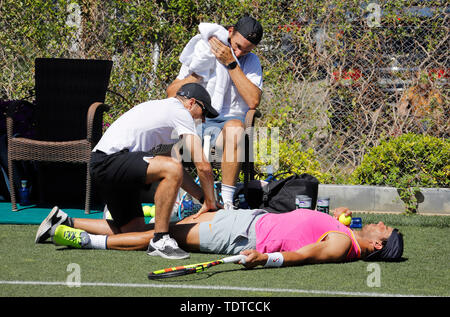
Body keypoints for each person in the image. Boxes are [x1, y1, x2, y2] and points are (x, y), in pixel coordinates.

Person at [35, 83, 222, 260]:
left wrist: (202, 198)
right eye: (204, 112)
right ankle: (161, 240)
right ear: (191, 103)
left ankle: (65, 222)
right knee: (171, 168)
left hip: (106, 165)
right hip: (109, 161)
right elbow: (203, 165)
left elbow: (174, 167)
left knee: (135, 231)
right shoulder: (179, 111)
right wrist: (211, 202)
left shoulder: (165, 116)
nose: (204, 119)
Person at [35, 206, 404, 267]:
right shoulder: (345, 230)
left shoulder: (342, 245)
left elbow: (302, 256)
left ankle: (79, 237)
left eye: (383, 230)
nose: (379, 224)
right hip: (248, 218)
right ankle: (70, 220)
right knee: (160, 226)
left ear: (377, 245)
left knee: (158, 233)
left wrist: (266, 258)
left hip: (242, 234)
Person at [166, 16, 264, 209]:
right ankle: (182, 200)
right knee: (173, 139)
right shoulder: (204, 52)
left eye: (246, 50)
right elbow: (171, 93)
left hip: (229, 128)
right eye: (236, 46)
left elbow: (253, 101)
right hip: (198, 122)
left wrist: (231, 63)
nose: (239, 52)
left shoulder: (250, 61)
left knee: (235, 128)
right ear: (229, 32)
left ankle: (227, 201)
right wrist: (198, 73)